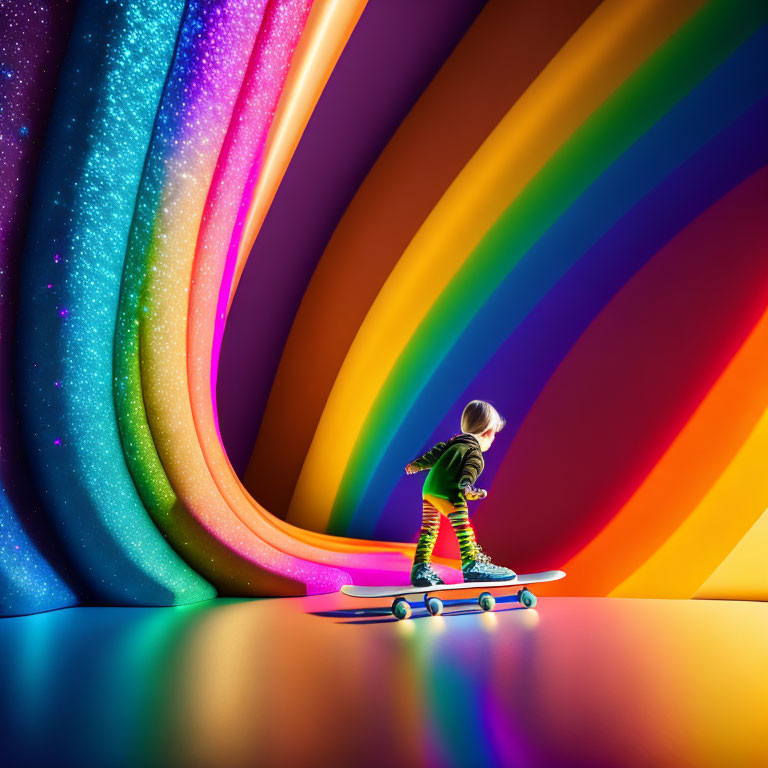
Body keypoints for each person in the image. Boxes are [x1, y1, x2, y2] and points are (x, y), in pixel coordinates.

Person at [404, 400, 516, 587]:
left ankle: (420, 569)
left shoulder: (452, 443)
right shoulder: (474, 452)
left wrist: (417, 465)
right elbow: (469, 472)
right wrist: (468, 489)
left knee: (429, 530)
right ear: (488, 433)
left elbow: (435, 453)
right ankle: (472, 565)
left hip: (429, 490)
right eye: (494, 434)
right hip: (449, 491)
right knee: (464, 528)